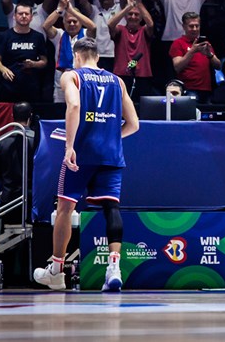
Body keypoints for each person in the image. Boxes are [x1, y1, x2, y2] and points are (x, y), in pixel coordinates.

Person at [33, 37, 140, 292]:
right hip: (111, 155)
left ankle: (57, 271)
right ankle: (114, 268)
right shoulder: (117, 81)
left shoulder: (71, 76)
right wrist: (111, 136)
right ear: (98, 57)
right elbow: (134, 124)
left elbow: (74, 104)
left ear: (76, 57)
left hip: (81, 155)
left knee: (65, 208)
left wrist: (70, 146)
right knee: (111, 208)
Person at [42, 0, 98, 103]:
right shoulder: (59, 35)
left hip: (83, 77)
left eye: (75, 21)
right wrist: (59, 9)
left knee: (82, 108)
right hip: (62, 78)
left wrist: (72, 11)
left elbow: (93, 27)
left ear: (81, 22)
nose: (72, 24)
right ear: (63, 22)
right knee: (60, 110)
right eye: (69, 21)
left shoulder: (86, 34)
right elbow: (46, 26)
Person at [0, 1, 49, 102]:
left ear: (31, 17)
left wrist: (34, 64)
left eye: (26, 14)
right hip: (9, 85)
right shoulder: (5, 36)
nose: (23, 16)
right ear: (14, 16)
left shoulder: (38, 37)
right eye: (20, 13)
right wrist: (3, 69)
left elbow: (44, 61)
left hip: (31, 86)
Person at [0, 101, 38, 225]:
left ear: (12, 116)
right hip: (32, 199)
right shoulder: (38, 140)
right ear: (31, 116)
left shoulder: (1, 141)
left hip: (8, 198)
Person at [109, 0, 155, 99]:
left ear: (140, 17)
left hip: (143, 75)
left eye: (136, 14)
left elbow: (150, 24)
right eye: (130, 14)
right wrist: (128, 7)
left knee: (143, 109)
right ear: (125, 16)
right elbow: (110, 24)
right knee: (121, 106)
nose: (133, 17)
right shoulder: (120, 29)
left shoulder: (144, 31)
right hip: (122, 74)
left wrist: (139, 3)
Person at [169, 12, 221, 104]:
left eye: (197, 26)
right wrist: (192, 51)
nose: (194, 29)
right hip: (189, 89)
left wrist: (209, 54)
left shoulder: (205, 43)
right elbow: (177, 67)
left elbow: (218, 66)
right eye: (191, 26)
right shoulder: (178, 43)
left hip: (207, 90)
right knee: (191, 117)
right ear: (184, 26)